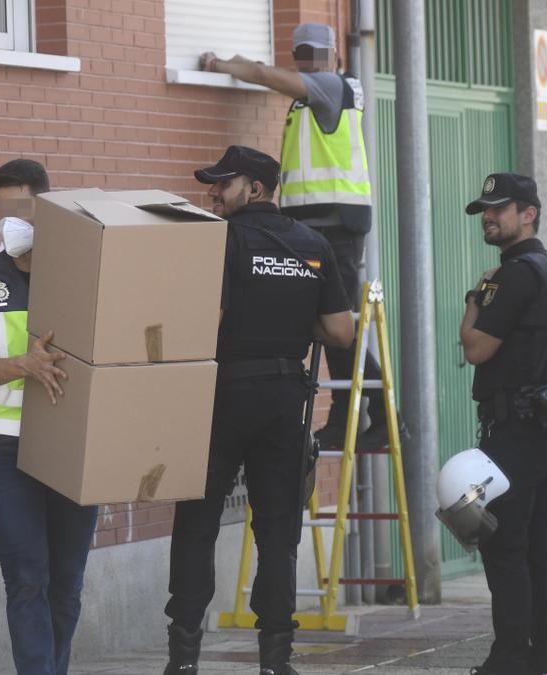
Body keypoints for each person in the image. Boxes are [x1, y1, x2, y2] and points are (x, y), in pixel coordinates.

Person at [163, 145, 355, 675]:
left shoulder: (222, 239)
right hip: (284, 401)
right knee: (278, 533)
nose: (212, 193)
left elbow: (213, 315)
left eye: (223, 185)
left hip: (222, 399)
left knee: (197, 527)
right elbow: (341, 331)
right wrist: (293, 320)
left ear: (256, 189)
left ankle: (182, 661)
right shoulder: (313, 244)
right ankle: (276, 660)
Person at [198, 22, 391, 449]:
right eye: (303, 53)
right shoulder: (307, 100)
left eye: (315, 54)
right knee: (332, 329)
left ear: (334, 57)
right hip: (314, 227)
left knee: (339, 327)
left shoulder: (329, 88)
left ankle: (375, 415)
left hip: (334, 226)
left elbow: (265, 75)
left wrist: (218, 64)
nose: (310, 62)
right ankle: (355, 419)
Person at [0, 159, 99, 675]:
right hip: (3, 448)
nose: (11, 220)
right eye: (3, 209)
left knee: (66, 583)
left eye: (23, 208)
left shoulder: (83, 273)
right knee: (26, 577)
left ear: (46, 210)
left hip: (69, 443)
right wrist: (23, 364)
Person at [459, 172, 547, 675]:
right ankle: (545, 657)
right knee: (543, 545)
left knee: (505, 544)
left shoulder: (511, 276)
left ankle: (509, 657)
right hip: (546, 424)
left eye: (499, 208)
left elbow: (475, 347)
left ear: (527, 213)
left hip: (516, 427)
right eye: (485, 209)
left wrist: (473, 299)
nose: (489, 216)